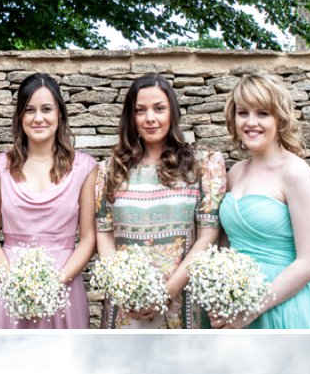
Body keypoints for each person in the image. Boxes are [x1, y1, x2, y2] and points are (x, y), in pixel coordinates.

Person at [95, 72, 225, 329]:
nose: (150, 118)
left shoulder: (202, 167)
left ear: (172, 113)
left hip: (183, 303)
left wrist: (166, 293)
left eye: (159, 109)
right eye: (140, 111)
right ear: (130, 118)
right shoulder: (109, 170)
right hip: (126, 308)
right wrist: (125, 291)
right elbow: (105, 236)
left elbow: (207, 237)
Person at [0, 73, 98, 329]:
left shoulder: (85, 168)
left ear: (59, 114)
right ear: (20, 117)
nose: (38, 118)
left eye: (46, 109)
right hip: (10, 285)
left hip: (64, 284)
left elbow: (89, 238)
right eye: (29, 110)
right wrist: (14, 283)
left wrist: (55, 283)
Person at [216, 72, 310, 330]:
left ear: (279, 118)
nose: (250, 122)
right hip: (235, 306)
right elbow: (224, 248)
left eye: (262, 113)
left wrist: (250, 309)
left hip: (283, 306)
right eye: (243, 112)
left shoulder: (295, 172)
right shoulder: (234, 173)